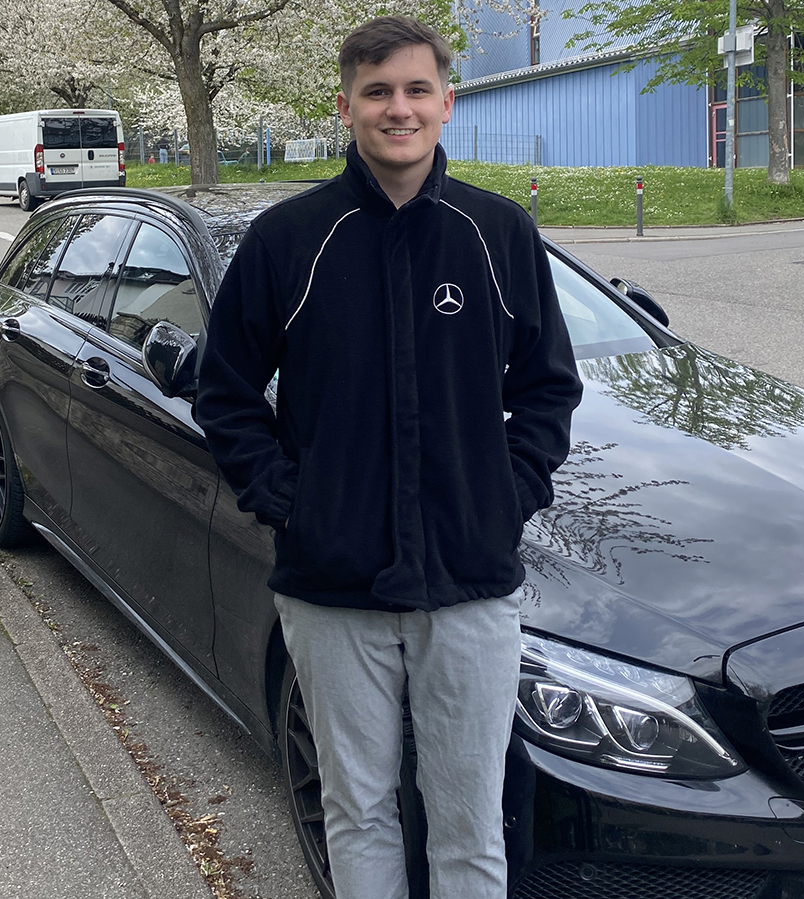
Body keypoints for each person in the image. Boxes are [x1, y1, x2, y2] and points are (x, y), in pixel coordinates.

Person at [195, 15, 583, 899]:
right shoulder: (288, 240)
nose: (397, 109)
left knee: (469, 823)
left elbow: (549, 386)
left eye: (416, 89)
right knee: (358, 810)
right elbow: (224, 393)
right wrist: (293, 502)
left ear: (447, 101)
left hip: (469, 583)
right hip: (334, 589)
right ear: (346, 107)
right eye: (377, 92)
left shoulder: (498, 233)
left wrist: (505, 493)